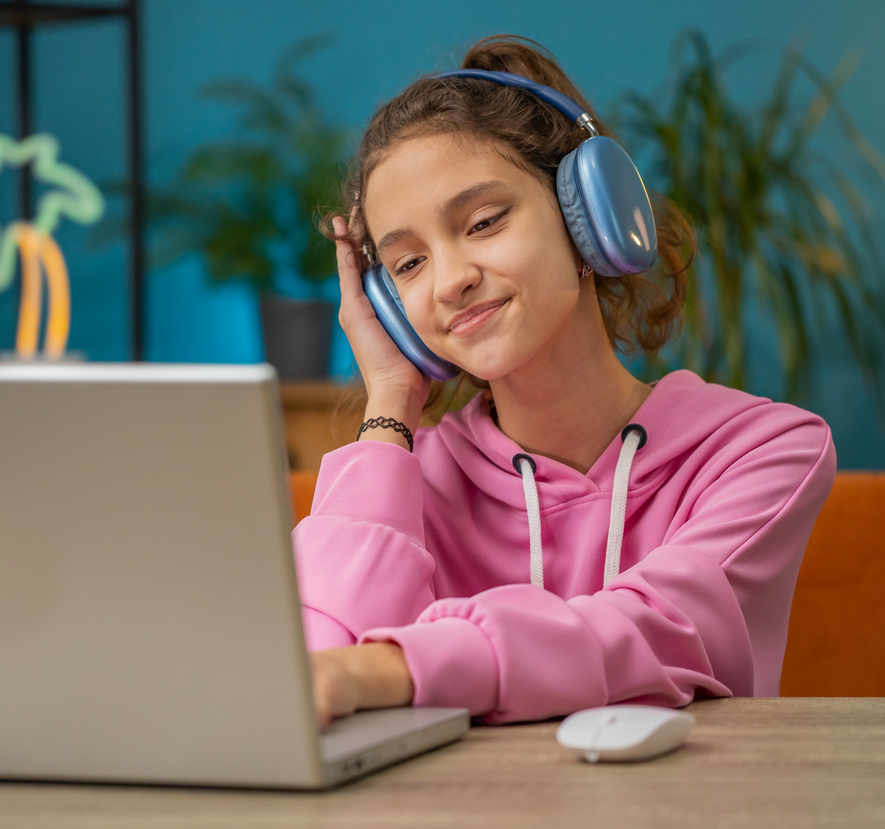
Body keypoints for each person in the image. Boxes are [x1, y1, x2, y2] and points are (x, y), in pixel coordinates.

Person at [296, 35, 837, 726]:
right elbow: (318, 671)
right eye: (407, 264)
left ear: (589, 220)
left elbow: (652, 628)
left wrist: (397, 665)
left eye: (484, 222)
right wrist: (388, 401)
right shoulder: (408, 485)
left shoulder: (761, 451)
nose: (450, 279)